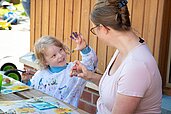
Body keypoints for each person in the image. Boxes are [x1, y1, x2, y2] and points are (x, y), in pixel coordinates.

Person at [70, 0, 162, 113]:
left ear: (104, 28)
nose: (96, 36)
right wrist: (89, 76)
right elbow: (116, 88)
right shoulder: (123, 50)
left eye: (94, 30)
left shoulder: (137, 66)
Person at [22, 35, 98, 107]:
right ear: (45, 61)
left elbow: (89, 64)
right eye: (54, 55)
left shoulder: (74, 70)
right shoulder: (40, 74)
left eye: (60, 50)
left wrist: (84, 49)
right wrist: (26, 81)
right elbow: (33, 92)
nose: (60, 56)